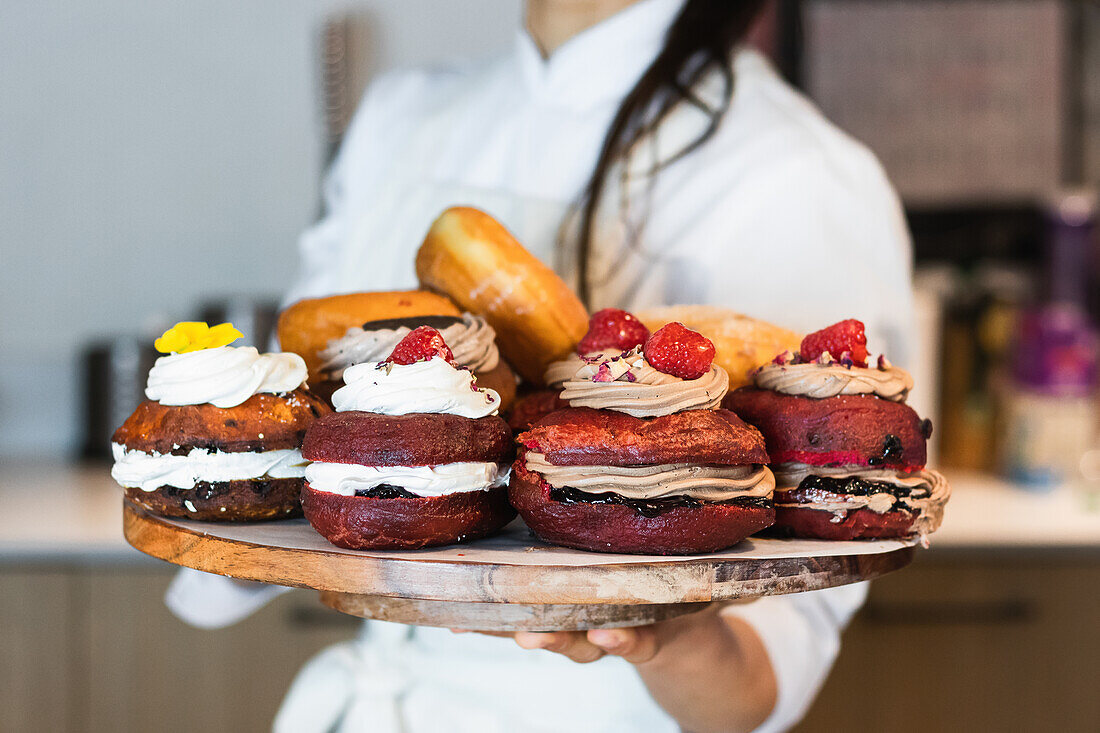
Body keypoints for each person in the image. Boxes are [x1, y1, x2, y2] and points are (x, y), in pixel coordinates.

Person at [168, 1, 915, 731]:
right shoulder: (403, 116)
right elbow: (302, 426)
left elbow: (767, 671)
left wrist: (668, 633)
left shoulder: (798, 173)